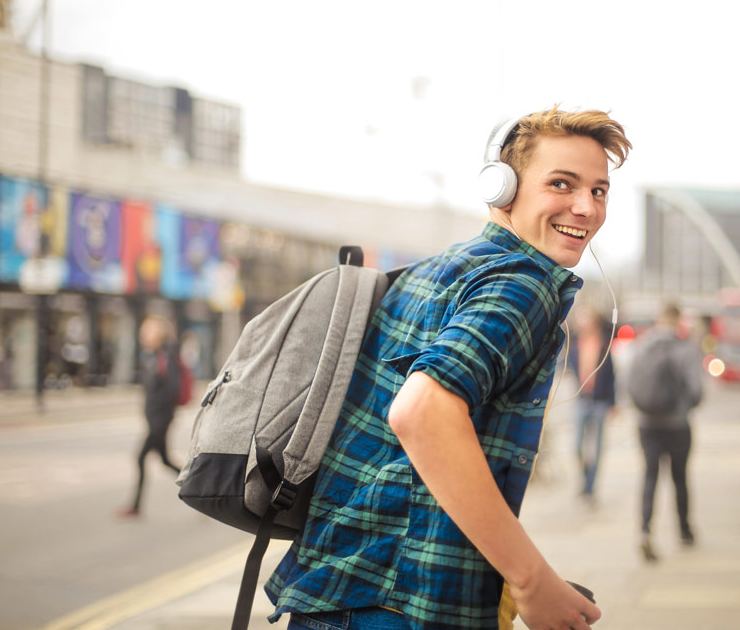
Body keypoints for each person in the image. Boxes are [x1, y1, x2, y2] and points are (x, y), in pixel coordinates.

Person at [265, 107, 631, 630]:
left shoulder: (434, 270)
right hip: (398, 605)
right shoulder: (521, 282)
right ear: (503, 188)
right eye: (561, 184)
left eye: (599, 191)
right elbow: (420, 412)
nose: (586, 208)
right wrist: (531, 580)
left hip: (337, 592)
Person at [632, 302, 703, 562]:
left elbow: (628, 382)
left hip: (647, 423)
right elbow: (696, 389)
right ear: (677, 320)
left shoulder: (642, 344)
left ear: (659, 318)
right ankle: (684, 531)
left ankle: (645, 531)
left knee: (649, 476)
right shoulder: (687, 347)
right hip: (677, 424)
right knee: (680, 478)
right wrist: (685, 407)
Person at [117, 315, 182, 517]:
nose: (143, 335)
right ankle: (201, 490)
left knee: (140, 457)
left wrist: (157, 414)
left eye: (148, 331)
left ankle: (135, 506)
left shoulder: (166, 356)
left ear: (159, 334)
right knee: (165, 461)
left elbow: (173, 389)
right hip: (155, 420)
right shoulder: (151, 356)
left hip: (160, 421)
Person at [566, 306, 616, 506]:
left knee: (597, 447)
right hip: (582, 400)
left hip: (600, 402)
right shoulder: (575, 345)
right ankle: (585, 479)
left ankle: (590, 487)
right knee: (577, 446)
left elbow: (612, 375)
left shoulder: (604, 344)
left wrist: (613, 403)